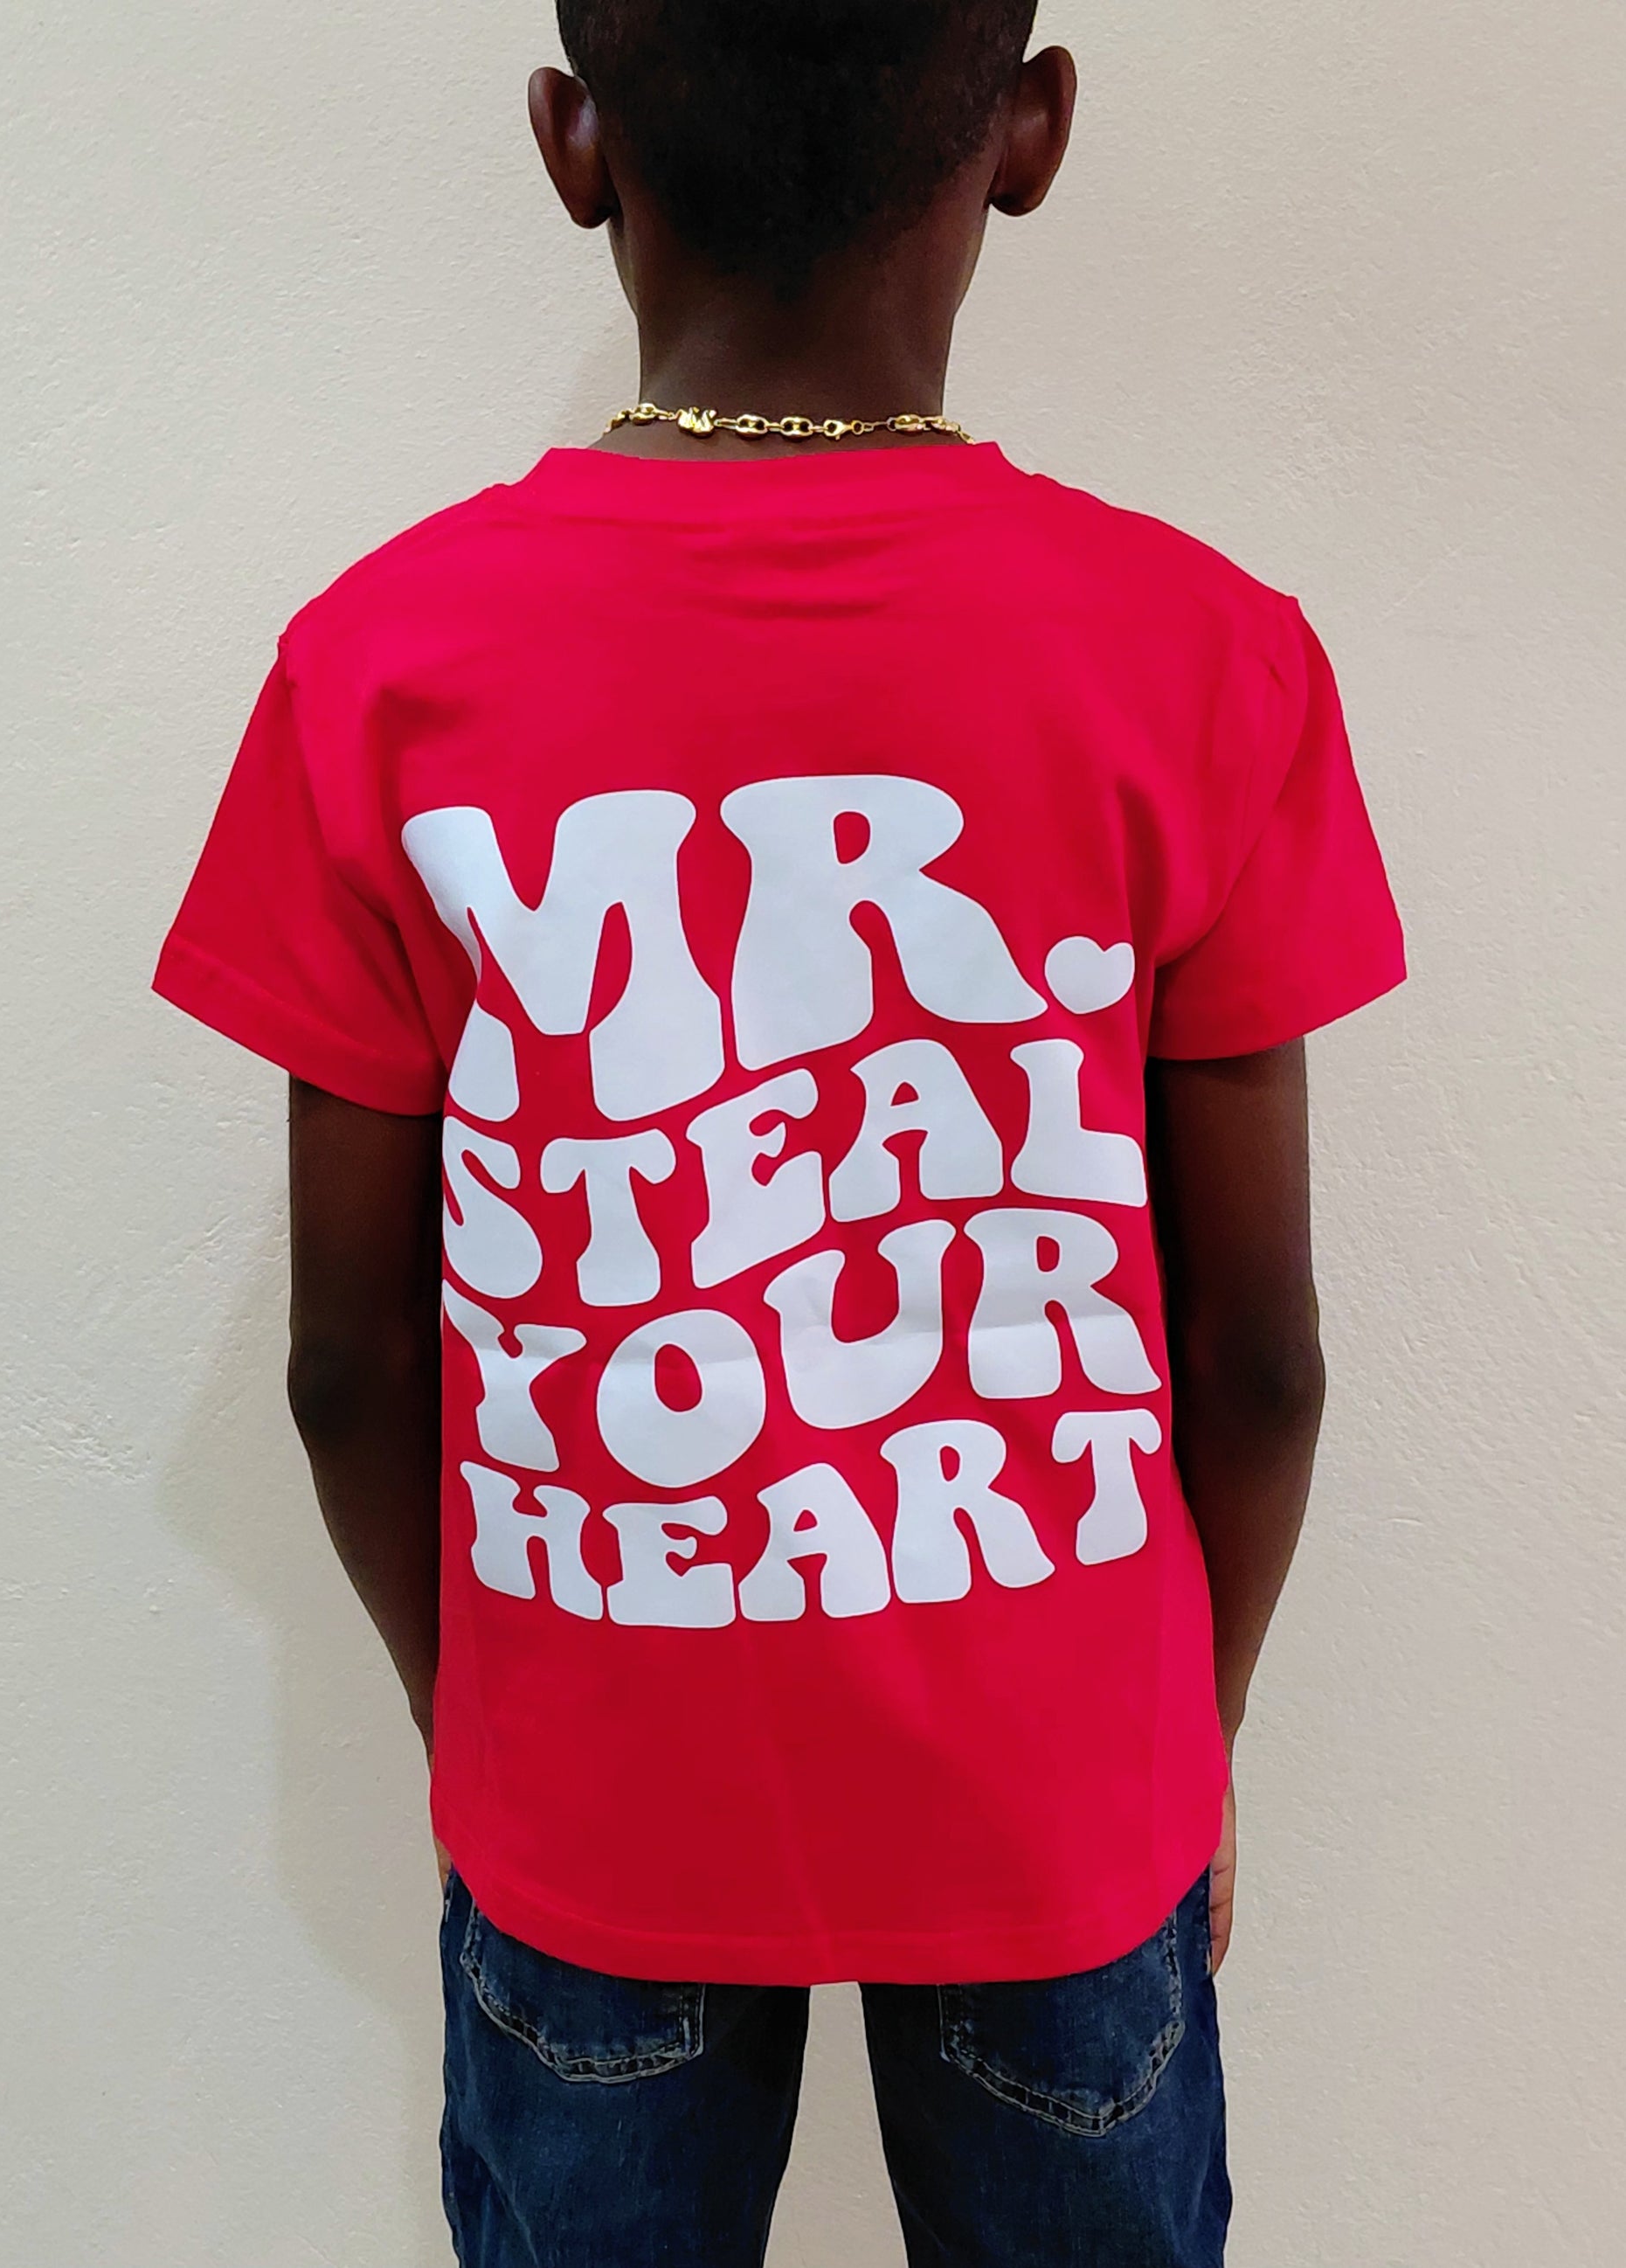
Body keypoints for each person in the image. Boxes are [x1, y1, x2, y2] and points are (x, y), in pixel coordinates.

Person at [154, 4, 1405, 2262]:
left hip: (592, 1803)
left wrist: (478, 1735)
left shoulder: (378, 669)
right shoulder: (1206, 656)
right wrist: (1187, 1739)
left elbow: (349, 1362)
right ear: (1028, 129)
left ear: (571, 142)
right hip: (1059, 1806)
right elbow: (1259, 1357)